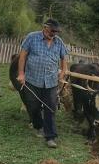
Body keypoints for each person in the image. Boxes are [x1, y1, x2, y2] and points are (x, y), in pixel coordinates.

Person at [16, 19, 68, 148]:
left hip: (50, 81)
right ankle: (38, 125)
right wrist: (21, 74)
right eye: (52, 31)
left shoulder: (59, 42)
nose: (54, 33)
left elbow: (64, 58)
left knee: (51, 108)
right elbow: (22, 56)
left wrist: (63, 72)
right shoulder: (32, 37)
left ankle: (50, 136)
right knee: (33, 107)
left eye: (56, 31)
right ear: (44, 27)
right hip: (32, 80)